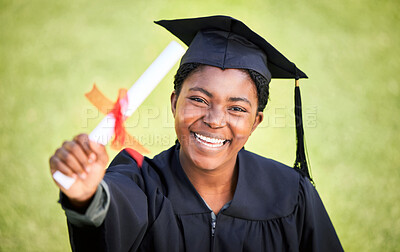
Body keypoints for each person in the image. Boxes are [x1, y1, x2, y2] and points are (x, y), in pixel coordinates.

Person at [49, 15, 343, 251]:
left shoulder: (291, 194)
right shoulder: (140, 182)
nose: (215, 120)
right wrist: (86, 197)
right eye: (199, 100)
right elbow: (108, 210)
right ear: (175, 102)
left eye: (237, 109)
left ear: (256, 122)